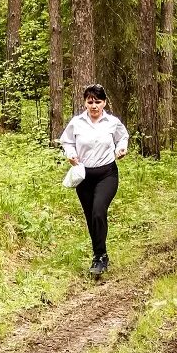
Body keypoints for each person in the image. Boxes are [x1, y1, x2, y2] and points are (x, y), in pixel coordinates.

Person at [58, 84, 129, 276]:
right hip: (84, 176)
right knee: (91, 217)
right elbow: (67, 141)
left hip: (107, 174)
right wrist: (70, 154)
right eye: (90, 102)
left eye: (98, 102)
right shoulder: (76, 122)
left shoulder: (112, 122)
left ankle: (100, 256)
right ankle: (100, 255)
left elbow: (123, 137)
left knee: (98, 211)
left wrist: (121, 148)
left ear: (104, 102)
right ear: (85, 103)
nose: (94, 106)